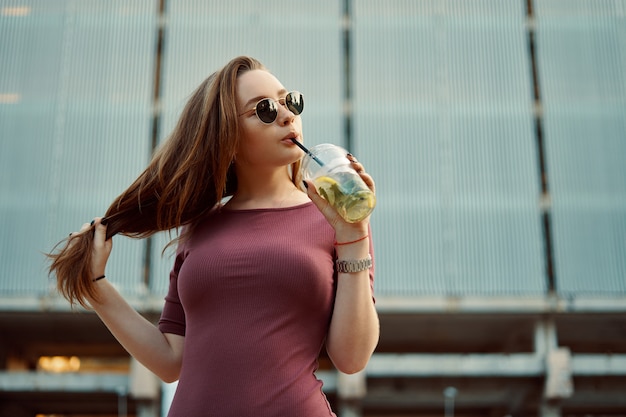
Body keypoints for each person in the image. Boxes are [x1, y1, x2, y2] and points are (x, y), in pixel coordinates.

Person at [47, 56, 379, 416]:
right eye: (264, 110)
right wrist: (97, 289)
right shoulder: (200, 228)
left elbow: (351, 358)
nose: (286, 115)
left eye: (290, 101)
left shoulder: (335, 219)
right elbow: (172, 360)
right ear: (227, 136)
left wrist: (354, 234)